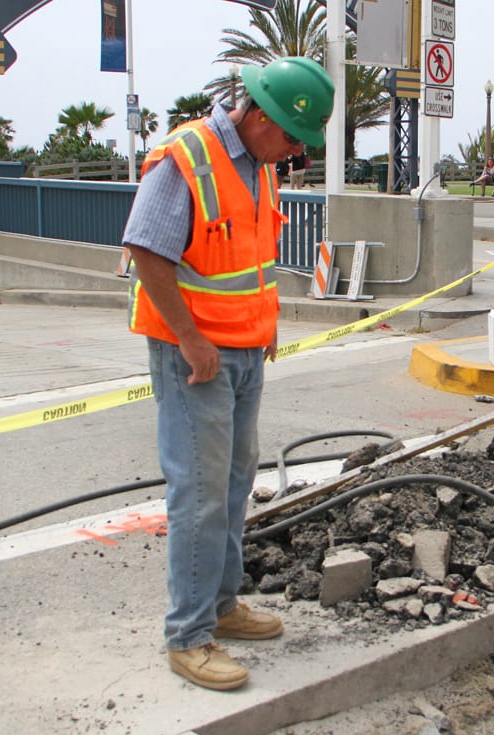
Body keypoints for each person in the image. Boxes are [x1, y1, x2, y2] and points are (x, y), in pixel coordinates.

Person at [121, 56, 334, 691]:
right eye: (295, 136)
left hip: (244, 352)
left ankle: (221, 605)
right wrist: (190, 339)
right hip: (197, 359)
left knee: (237, 482)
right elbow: (145, 250)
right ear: (262, 116)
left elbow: (250, 259)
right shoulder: (186, 156)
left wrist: (263, 332)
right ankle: (188, 635)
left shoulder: (261, 169)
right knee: (201, 491)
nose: (297, 150)